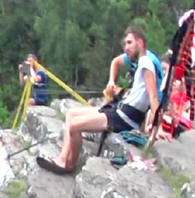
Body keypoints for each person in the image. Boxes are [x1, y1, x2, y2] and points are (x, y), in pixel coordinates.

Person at [36, 26, 162, 175]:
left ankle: (69, 164)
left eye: (129, 43)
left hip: (125, 117)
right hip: (119, 109)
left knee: (74, 126)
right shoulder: (141, 61)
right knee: (71, 114)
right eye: (125, 44)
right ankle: (62, 158)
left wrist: (156, 127)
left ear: (140, 42)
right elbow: (118, 64)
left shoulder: (146, 63)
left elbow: (153, 96)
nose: (126, 47)